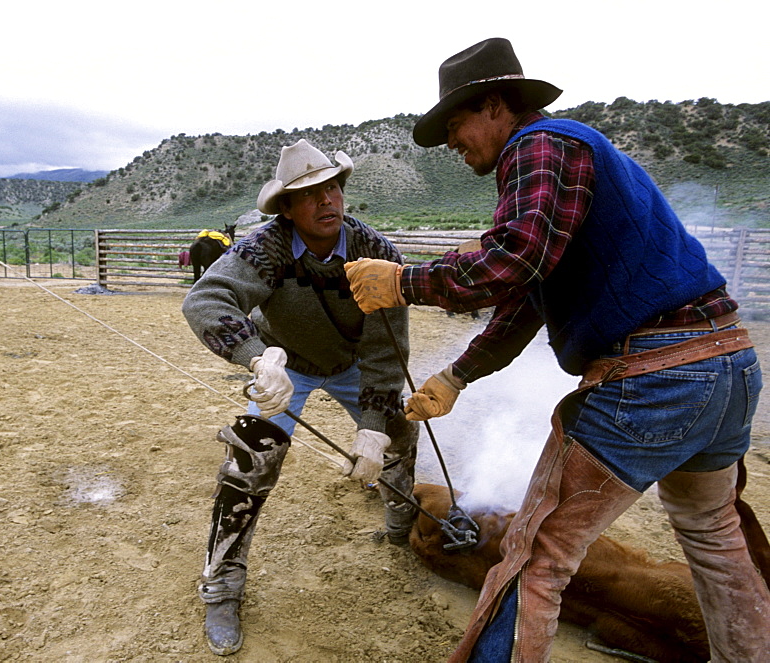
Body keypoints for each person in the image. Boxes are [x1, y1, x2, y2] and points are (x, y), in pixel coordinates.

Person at [345, 37, 770, 662]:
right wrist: (458, 377)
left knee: (535, 557)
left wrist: (401, 282)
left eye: (456, 124)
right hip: (727, 364)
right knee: (713, 537)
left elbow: (513, 259)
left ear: (494, 106)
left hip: (656, 375)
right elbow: (527, 293)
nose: (452, 143)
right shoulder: (573, 152)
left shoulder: (537, 146)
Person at [182, 138, 419, 656]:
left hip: (356, 362)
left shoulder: (377, 253)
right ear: (286, 208)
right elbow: (206, 297)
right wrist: (256, 357)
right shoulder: (264, 247)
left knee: (399, 432)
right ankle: (221, 584)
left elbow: (388, 351)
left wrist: (374, 426)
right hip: (285, 363)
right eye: (311, 193)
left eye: (333, 187)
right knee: (250, 457)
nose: (327, 200)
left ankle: (403, 527)